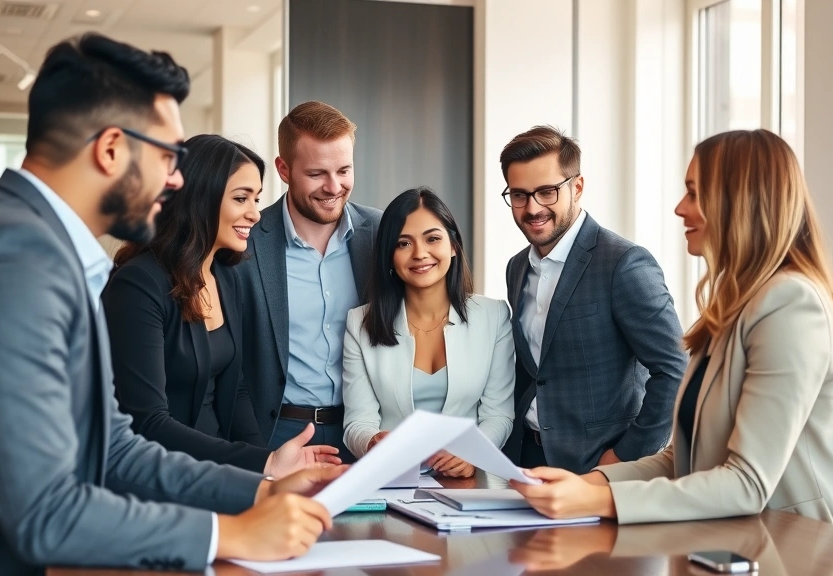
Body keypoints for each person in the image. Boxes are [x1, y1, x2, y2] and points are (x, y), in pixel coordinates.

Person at [0, 34, 343, 576]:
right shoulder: (9, 260)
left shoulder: (40, 248)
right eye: (167, 156)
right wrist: (230, 532)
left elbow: (114, 448)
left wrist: (258, 489)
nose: (178, 178)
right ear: (111, 148)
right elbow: (45, 511)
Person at [511, 129, 833, 533]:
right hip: (729, 538)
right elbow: (684, 459)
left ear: (741, 202)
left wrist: (599, 497)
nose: (680, 208)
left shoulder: (791, 305)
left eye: (695, 193)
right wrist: (588, 482)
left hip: (796, 547)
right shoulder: (735, 305)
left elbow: (747, 485)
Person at [103, 134, 341, 478]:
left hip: (220, 475)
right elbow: (148, 421)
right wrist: (260, 464)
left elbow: (237, 391)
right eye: (241, 198)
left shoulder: (226, 277)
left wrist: (269, 469)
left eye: (256, 199)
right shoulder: (138, 285)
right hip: (163, 481)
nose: (255, 214)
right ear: (200, 198)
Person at [499, 125, 687, 473]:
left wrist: (621, 459)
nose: (532, 207)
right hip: (526, 461)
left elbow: (675, 369)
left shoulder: (624, 263)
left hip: (597, 466)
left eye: (547, 192)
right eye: (520, 195)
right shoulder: (516, 268)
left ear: (578, 187)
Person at [235, 101, 382, 462]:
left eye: (344, 170)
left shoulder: (381, 234)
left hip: (364, 434)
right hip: (276, 435)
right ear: (284, 170)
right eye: (317, 173)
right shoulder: (247, 241)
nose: (334, 187)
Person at [342, 187, 515, 476]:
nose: (420, 254)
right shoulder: (360, 323)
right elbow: (357, 422)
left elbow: (498, 415)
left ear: (453, 245)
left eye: (433, 238)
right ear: (389, 256)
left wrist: (473, 454)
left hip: (468, 484)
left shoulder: (494, 317)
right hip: (392, 479)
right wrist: (371, 442)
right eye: (403, 244)